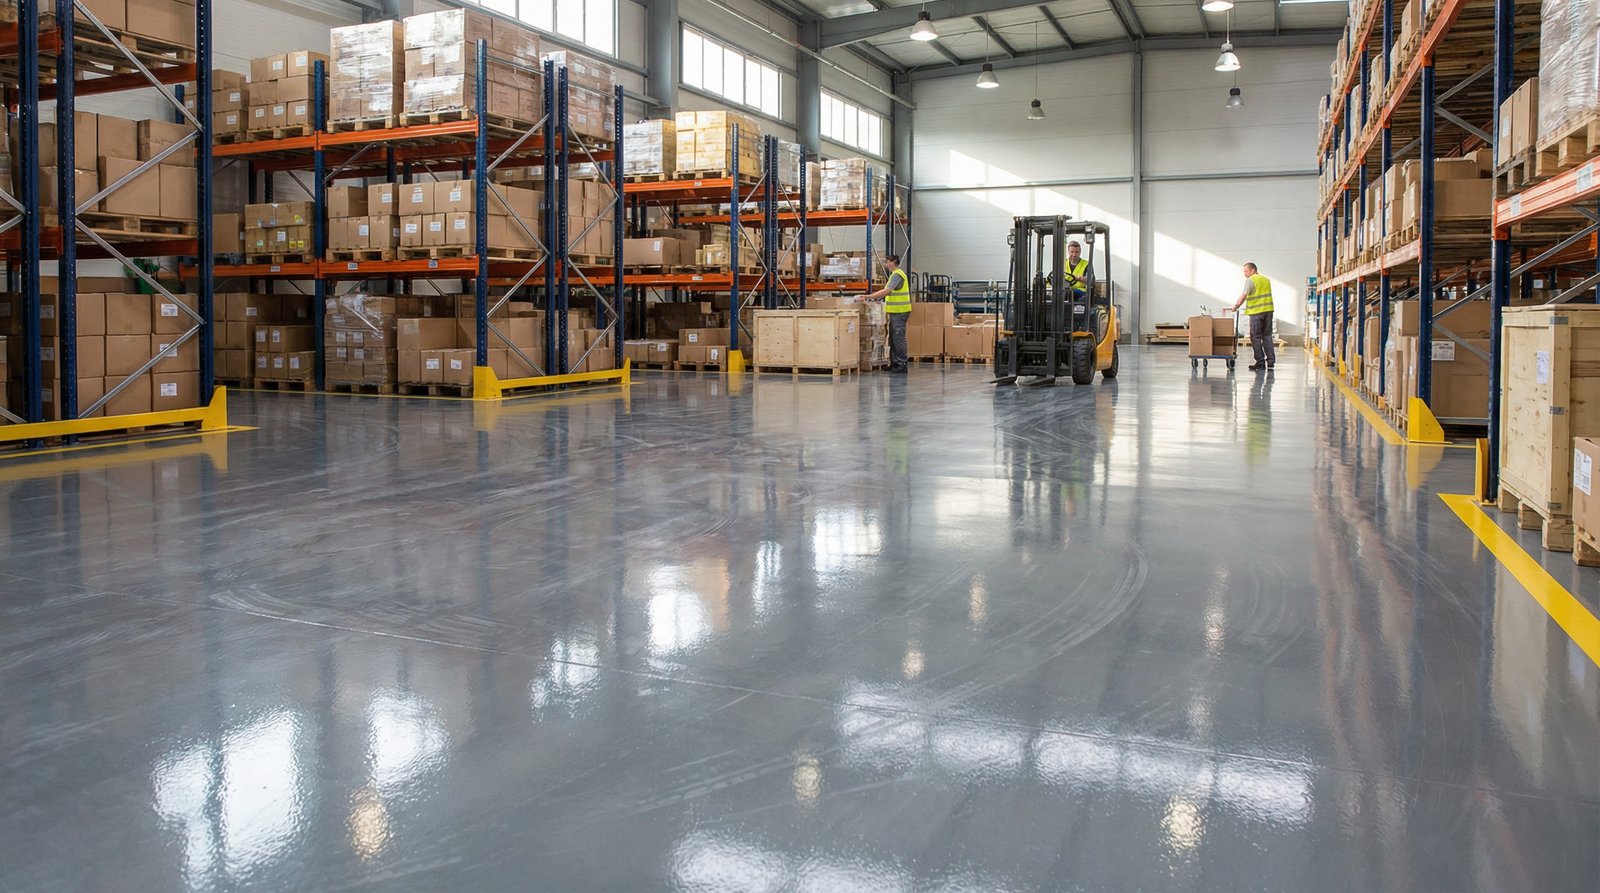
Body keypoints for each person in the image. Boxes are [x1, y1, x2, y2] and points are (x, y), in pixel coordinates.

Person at [864, 254, 912, 373]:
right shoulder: (894, 275)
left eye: (888, 262)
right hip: (895, 312)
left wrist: (868, 297)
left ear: (894, 262)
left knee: (898, 338)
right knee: (892, 338)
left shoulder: (897, 275)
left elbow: (886, 291)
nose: (886, 264)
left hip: (900, 312)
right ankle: (894, 362)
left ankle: (901, 363)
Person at [1231, 262, 1276, 370]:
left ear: (1252, 270)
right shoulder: (1266, 280)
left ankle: (1260, 362)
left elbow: (1244, 295)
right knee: (1267, 336)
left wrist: (1236, 306)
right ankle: (1270, 362)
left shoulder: (1250, 280)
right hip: (1268, 311)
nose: (1244, 274)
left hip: (1257, 312)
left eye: (1246, 271)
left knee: (1255, 337)